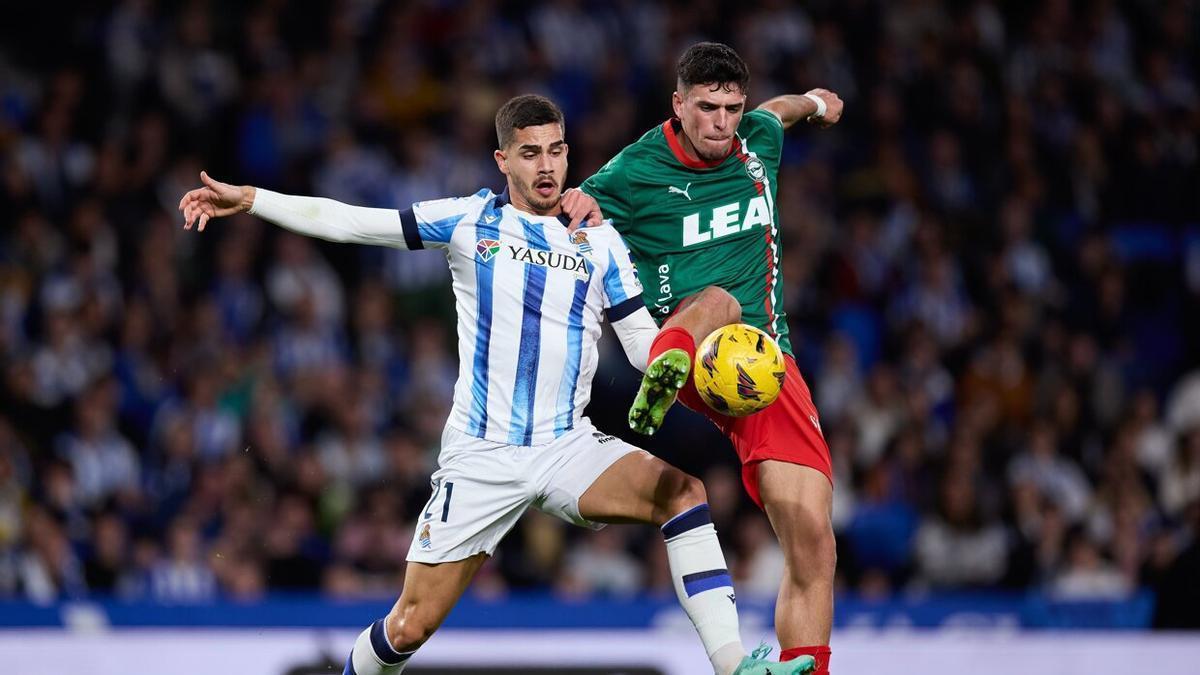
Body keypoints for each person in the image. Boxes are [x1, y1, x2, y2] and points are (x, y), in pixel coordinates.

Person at [178, 94, 814, 675]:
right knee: (409, 625)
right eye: (531, 153)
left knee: (683, 492)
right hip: (481, 456)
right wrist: (254, 199)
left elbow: (646, 350)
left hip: (569, 445)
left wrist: (706, 360)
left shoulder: (600, 243)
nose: (547, 166)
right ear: (502, 159)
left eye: (557, 151)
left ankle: (733, 668)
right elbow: (351, 222)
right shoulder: (468, 222)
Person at [581, 43, 844, 673]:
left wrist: (815, 103)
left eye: (731, 107)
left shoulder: (757, 139)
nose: (720, 123)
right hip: (681, 347)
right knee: (720, 299)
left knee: (812, 541)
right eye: (706, 108)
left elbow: (778, 113)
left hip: (762, 366)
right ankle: (665, 374)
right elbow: (570, 210)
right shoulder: (633, 172)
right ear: (679, 104)